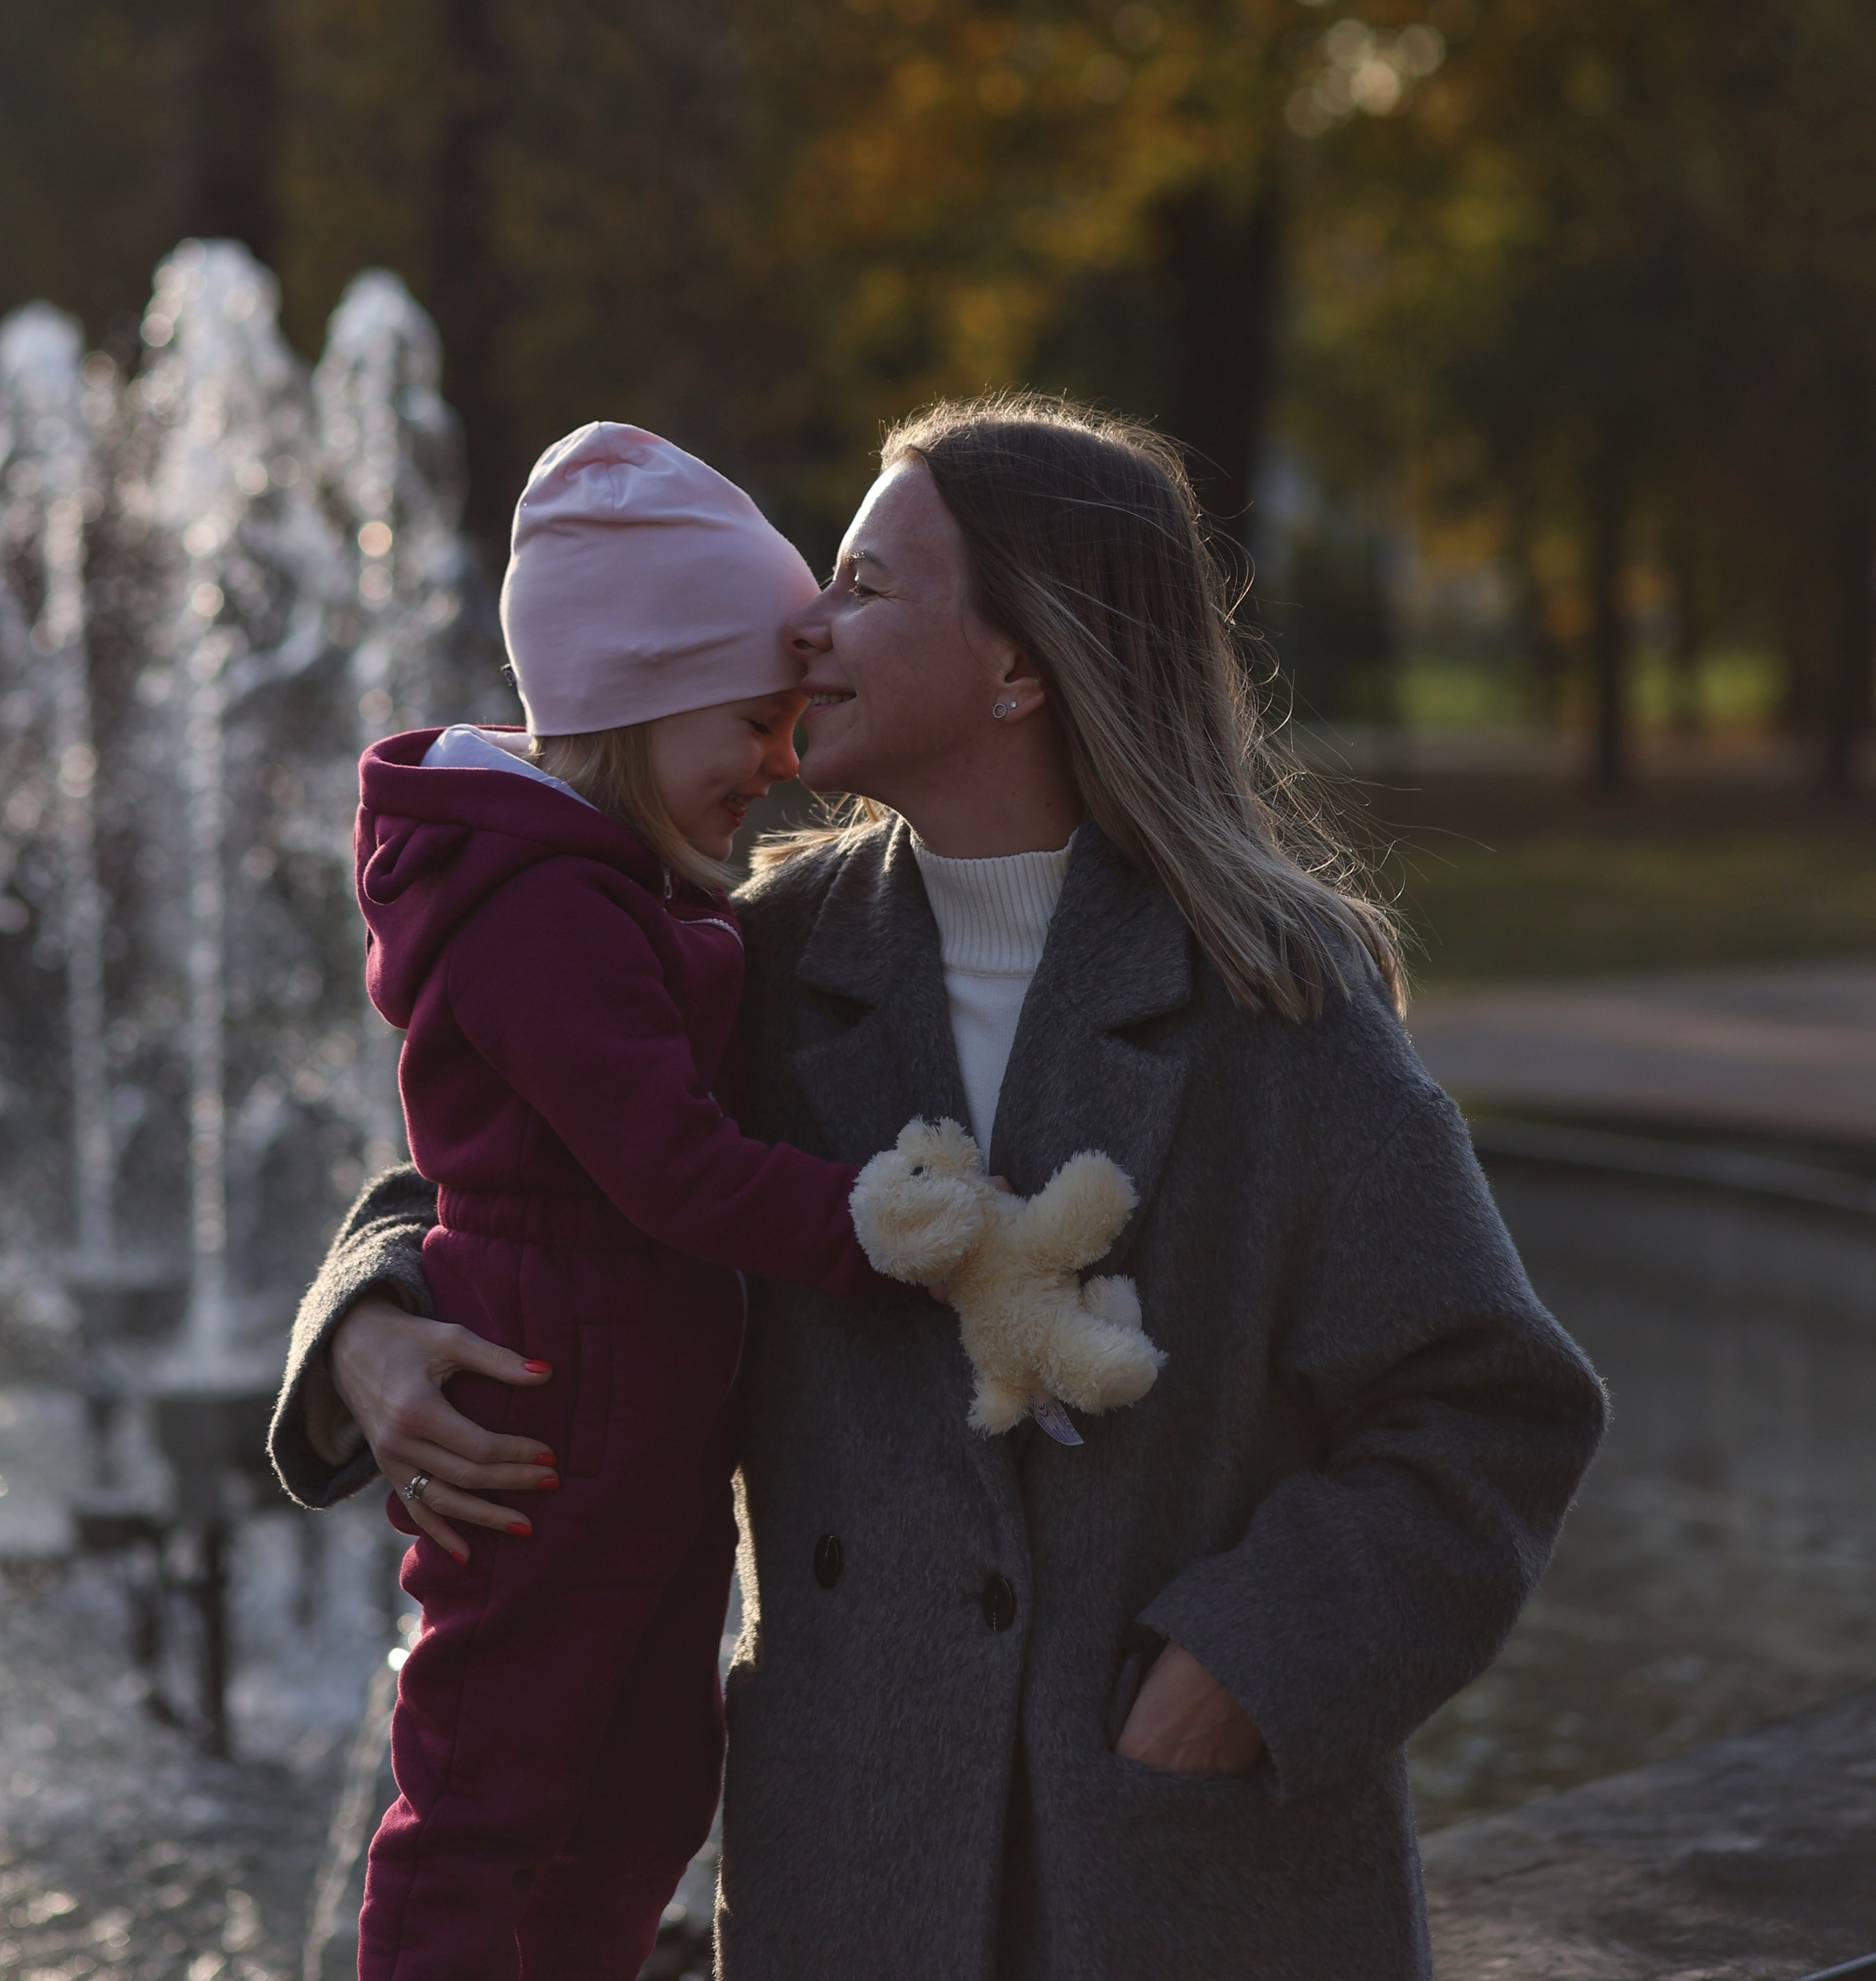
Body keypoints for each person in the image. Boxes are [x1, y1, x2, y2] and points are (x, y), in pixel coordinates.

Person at [273, 396, 1607, 1981]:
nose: (803, 626)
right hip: (855, 1862)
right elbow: (511, 1165)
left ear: (1016, 664)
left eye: (861, 583)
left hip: (1174, 1868)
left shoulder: (1268, 995)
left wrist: (1242, 1665)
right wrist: (367, 1313)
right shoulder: (765, 955)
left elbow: (1487, 1408)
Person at [341, 421, 898, 1981]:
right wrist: (884, 1228)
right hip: (543, 1418)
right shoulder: (544, 915)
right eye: (754, 719)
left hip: (645, 1427)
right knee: (481, 1795)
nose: (782, 764)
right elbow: (667, 1166)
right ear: (637, 701)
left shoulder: (637, 892)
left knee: (649, 1793)